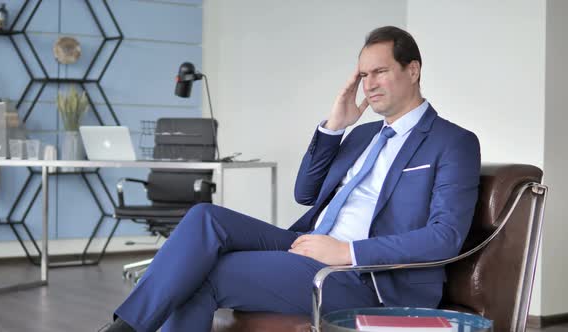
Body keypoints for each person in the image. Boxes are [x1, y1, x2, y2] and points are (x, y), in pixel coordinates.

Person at [103, 26, 481, 332]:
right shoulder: (364, 135)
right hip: (310, 245)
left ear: (412, 70)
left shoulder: (453, 142)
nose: (368, 84)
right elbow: (305, 193)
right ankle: (126, 327)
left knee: (201, 274)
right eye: (363, 74)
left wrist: (346, 252)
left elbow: (444, 237)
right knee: (206, 217)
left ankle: (126, 329)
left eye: (380, 71)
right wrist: (335, 126)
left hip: (369, 277)